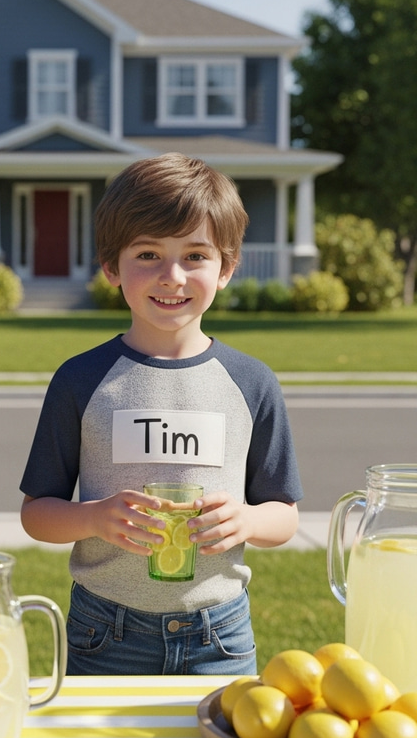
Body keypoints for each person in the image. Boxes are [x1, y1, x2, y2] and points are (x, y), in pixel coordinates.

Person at [20, 153, 302, 676]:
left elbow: (284, 515)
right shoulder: (81, 379)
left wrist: (247, 519)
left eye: (195, 256)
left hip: (219, 633)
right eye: (148, 254)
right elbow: (37, 513)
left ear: (226, 269)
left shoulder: (252, 382)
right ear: (111, 267)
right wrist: (94, 517)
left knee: (218, 734)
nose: (172, 277)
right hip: (105, 630)